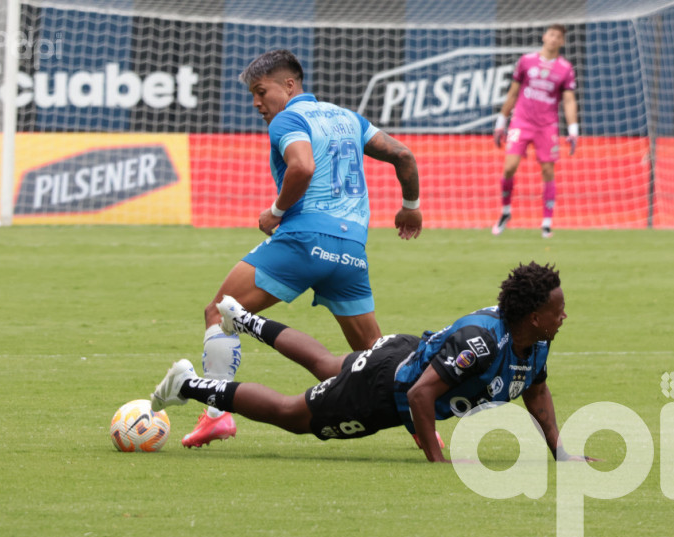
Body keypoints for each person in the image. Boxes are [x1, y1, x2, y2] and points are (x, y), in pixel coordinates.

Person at [182, 49, 422, 448]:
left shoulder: (288, 119)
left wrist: (276, 211)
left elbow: (303, 166)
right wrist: (410, 207)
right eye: (253, 96)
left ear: (289, 85)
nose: (257, 103)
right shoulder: (349, 118)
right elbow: (403, 154)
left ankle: (216, 414)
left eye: (261, 92)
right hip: (351, 252)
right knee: (376, 359)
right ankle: (423, 429)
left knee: (218, 309)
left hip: (304, 241)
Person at [152, 262, 596, 463]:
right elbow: (422, 394)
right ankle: (187, 383)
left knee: (328, 363)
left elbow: (535, 388)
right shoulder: (481, 344)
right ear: (535, 316)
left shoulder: (535, 340)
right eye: (559, 310)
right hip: (385, 389)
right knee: (292, 415)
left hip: (401, 354)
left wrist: (559, 452)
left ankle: (242, 317)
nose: (565, 316)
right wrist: (435, 457)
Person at [492, 24, 578, 239]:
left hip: (547, 125)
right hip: (520, 122)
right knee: (510, 167)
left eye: (558, 36)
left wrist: (573, 129)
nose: (553, 39)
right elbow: (512, 93)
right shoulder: (526, 61)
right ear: (543, 36)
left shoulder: (565, 68)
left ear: (562, 42)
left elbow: (568, 100)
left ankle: (546, 222)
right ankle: (505, 212)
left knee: (548, 171)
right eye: (551, 34)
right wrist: (501, 121)